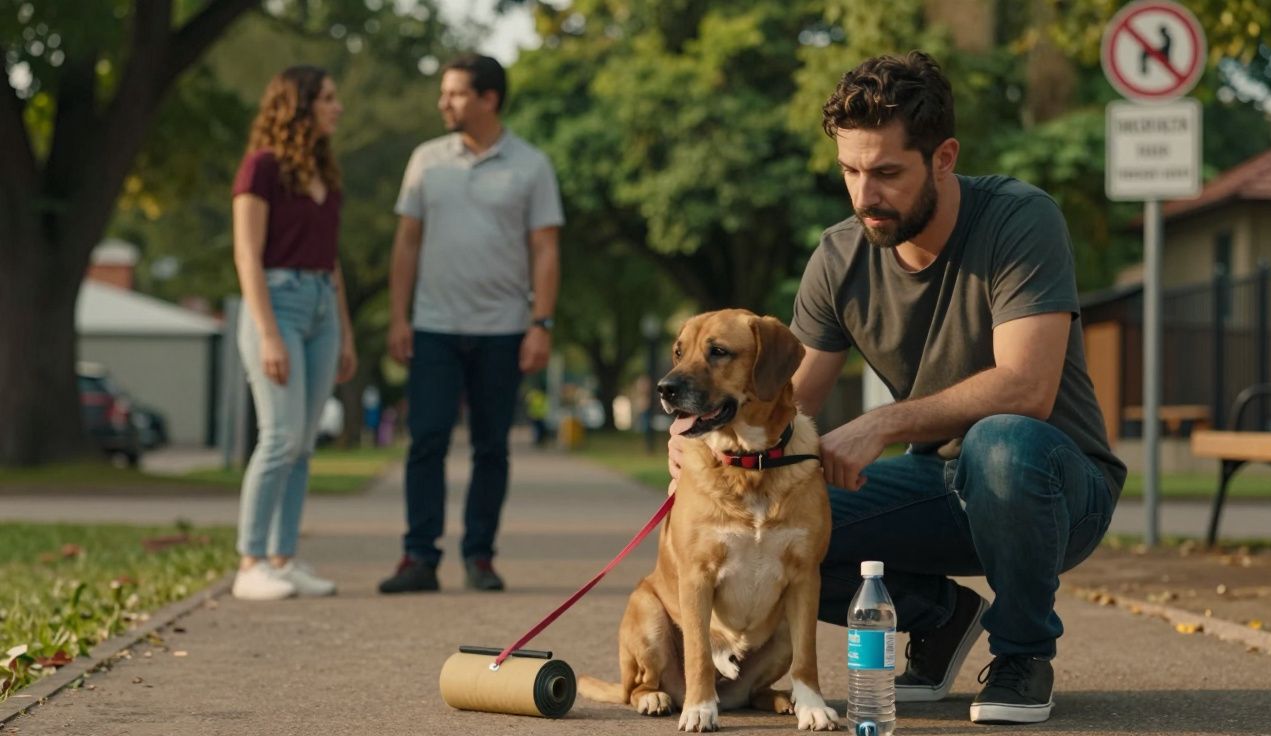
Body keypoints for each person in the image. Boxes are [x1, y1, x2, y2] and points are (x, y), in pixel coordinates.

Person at [668, 51, 1125, 725]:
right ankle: (939, 619)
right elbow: (791, 398)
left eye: (886, 172)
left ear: (943, 158)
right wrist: (703, 442)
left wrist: (880, 425)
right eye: (850, 171)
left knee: (1000, 443)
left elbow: (1028, 388)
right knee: (773, 524)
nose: (864, 195)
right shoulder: (839, 255)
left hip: (1052, 487)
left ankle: (1023, 654)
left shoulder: (1020, 222)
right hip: (934, 486)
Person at [379, 54, 563, 594]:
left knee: (491, 447)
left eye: (455, 93)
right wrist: (398, 317)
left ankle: (479, 557)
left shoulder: (531, 165)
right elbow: (406, 243)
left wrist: (541, 323)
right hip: (434, 325)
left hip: (504, 328)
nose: (444, 102)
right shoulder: (425, 161)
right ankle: (419, 557)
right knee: (426, 441)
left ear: (488, 98)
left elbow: (545, 249)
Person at [230, 65, 357, 601]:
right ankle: (250, 562)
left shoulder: (325, 175)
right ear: (299, 105)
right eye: (328, 98)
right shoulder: (261, 167)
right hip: (276, 304)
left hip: (322, 308)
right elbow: (246, 253)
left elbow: (331, 263)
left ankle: (283, 558)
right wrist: (268, 334)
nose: (338, 106)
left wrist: (346, 333)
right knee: (280, 438)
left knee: (303, 445)